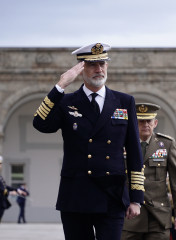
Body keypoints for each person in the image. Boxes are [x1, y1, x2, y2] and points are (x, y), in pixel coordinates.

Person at [33, 43, 144, 240]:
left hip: (112, 195)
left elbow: (134, 151)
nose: (99, 69)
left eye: (102, 63)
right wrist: (60, 86)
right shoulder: (67, 102)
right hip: (76, 194)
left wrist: (136, 199)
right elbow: (41, 124)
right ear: (81, 68)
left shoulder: (124, 102)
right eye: (92, 65)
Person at [122, 102, 176, 240]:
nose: (145, 124)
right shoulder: (122, 144)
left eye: (149, 121)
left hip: (158, 216)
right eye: (141, 121)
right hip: (130, 216)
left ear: (155, 123)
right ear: (134, 122)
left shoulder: (166, 144)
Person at [0, 156, 22, 223]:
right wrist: (10, 193)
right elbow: (1, 189)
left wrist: (16, 190)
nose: (1, 166)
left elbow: (4, 186)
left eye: (1, 164)